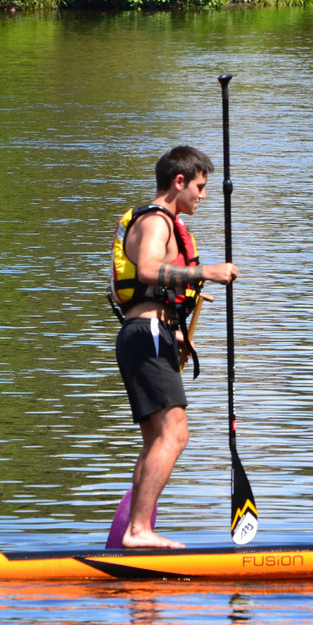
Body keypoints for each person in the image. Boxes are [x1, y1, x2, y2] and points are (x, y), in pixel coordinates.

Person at [110, 146, 238, 549]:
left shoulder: (164, 223)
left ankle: (134, 530)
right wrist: (206, 272)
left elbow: (140, 290)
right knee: (175, 434)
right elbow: (147, 269)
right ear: (178, 182)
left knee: (156, 439)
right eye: (200, 187)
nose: (203, 195)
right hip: (145, 335)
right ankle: (139, 531)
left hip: (150, 334)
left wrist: (175, 333)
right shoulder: (156, 222)